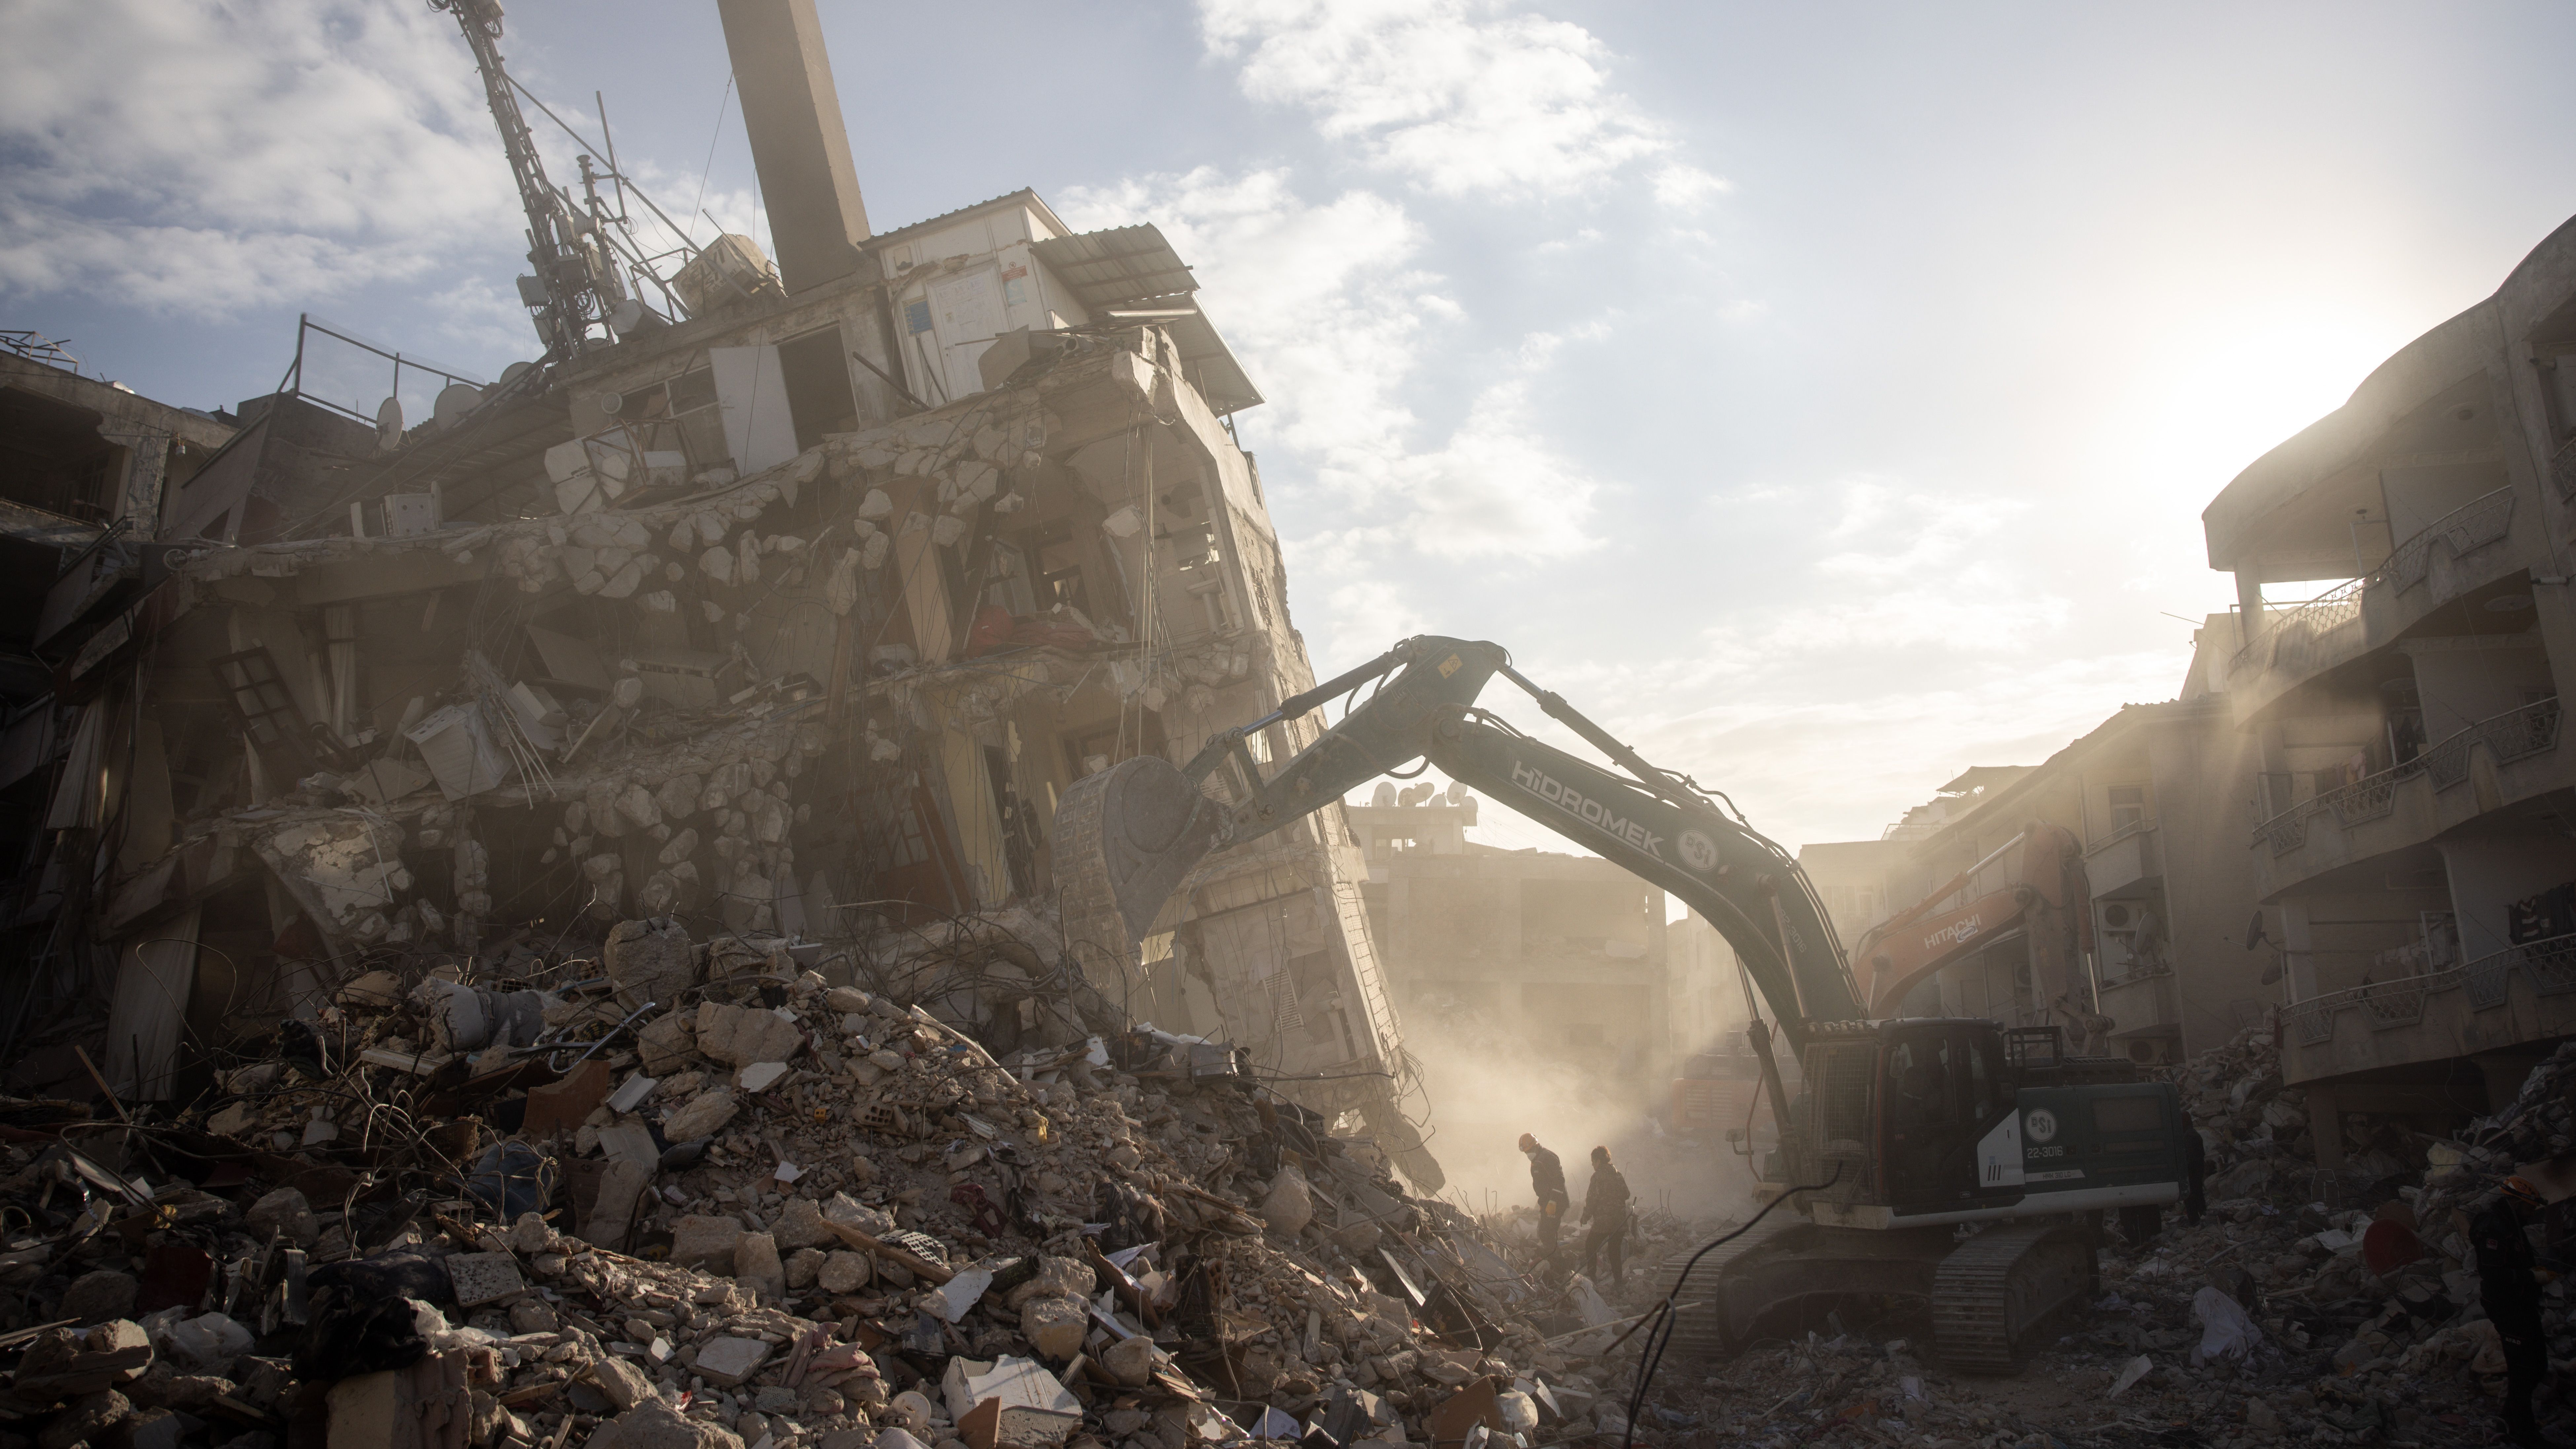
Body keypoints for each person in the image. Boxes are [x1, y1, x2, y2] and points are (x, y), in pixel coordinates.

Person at [2472, 1176, 2551, 1446]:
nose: (2531, 1215)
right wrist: (2531, 1278)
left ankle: (2507, 1420)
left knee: (2535, 1364)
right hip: (2507, 1308)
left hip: (2521, 1305)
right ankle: (2524, 1433)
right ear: (2517, 1204)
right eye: (2529, 1209)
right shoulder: (2494, 1229)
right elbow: (2492, 1273)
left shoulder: (2511, 1225)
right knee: (2524, 1369)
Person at [1580, 1145, 1632, 1287]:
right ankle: (1619, 1282)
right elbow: (1627, 1194)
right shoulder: (1618, 1174)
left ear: (1598, 1161)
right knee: (1614, 1251)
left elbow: (1591, 1200)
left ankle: (1592, 1279)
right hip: (1620, 1221)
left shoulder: (1597, 1177)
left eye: (1593, 1161)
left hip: (1604, 1221)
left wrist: (1585, 1217)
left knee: (1590, 1246)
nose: (1592, 1165)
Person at [1519, 1133, 1568, 1266]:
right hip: (1548, 1202)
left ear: (1535, 1146)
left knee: (1547, 1233)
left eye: (1529, 1151)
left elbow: (1560, 1180)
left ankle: (1560, 1265)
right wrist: (1543, 1204)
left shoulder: (1548, 1157)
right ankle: (1555, 1261)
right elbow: (1541, 1187)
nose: (1528, 1154)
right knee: (1544, 1232)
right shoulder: (1536, 1160)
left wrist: (1553, 1201)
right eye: (1526, 1152)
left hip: (1557, 1202)